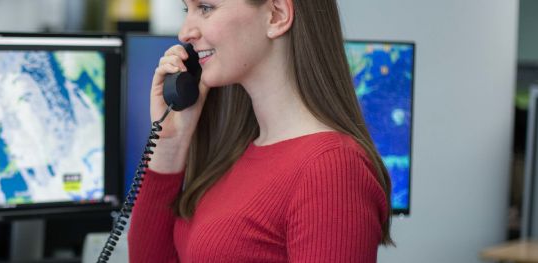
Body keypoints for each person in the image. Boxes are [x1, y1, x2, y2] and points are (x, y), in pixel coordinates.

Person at [128, 0, 393, 262]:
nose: (185, 33)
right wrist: (168, 143)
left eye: (206, 8)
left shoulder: (332, 168)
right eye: (188, 9)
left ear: (276, 15)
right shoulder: (234, 154)